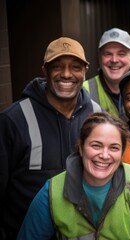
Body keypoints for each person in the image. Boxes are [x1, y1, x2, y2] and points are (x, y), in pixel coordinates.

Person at [0, 37, 101, 239]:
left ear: (85, 71)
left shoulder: (96, 115)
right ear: (45, 70)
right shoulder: (13, 120)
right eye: (57, 66)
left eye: (75, 67)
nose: (66, 74)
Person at [17, 112, 130, 239]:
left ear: (121, 153)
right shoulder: (52, 191)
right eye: (96, 145)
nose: (104, 155)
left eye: (114, 148)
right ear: (81, 148)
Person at [83, 28, 130, 117]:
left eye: (121, 54)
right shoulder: (83, 91)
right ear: (99, 57)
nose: (114, 60)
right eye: (107, 54)